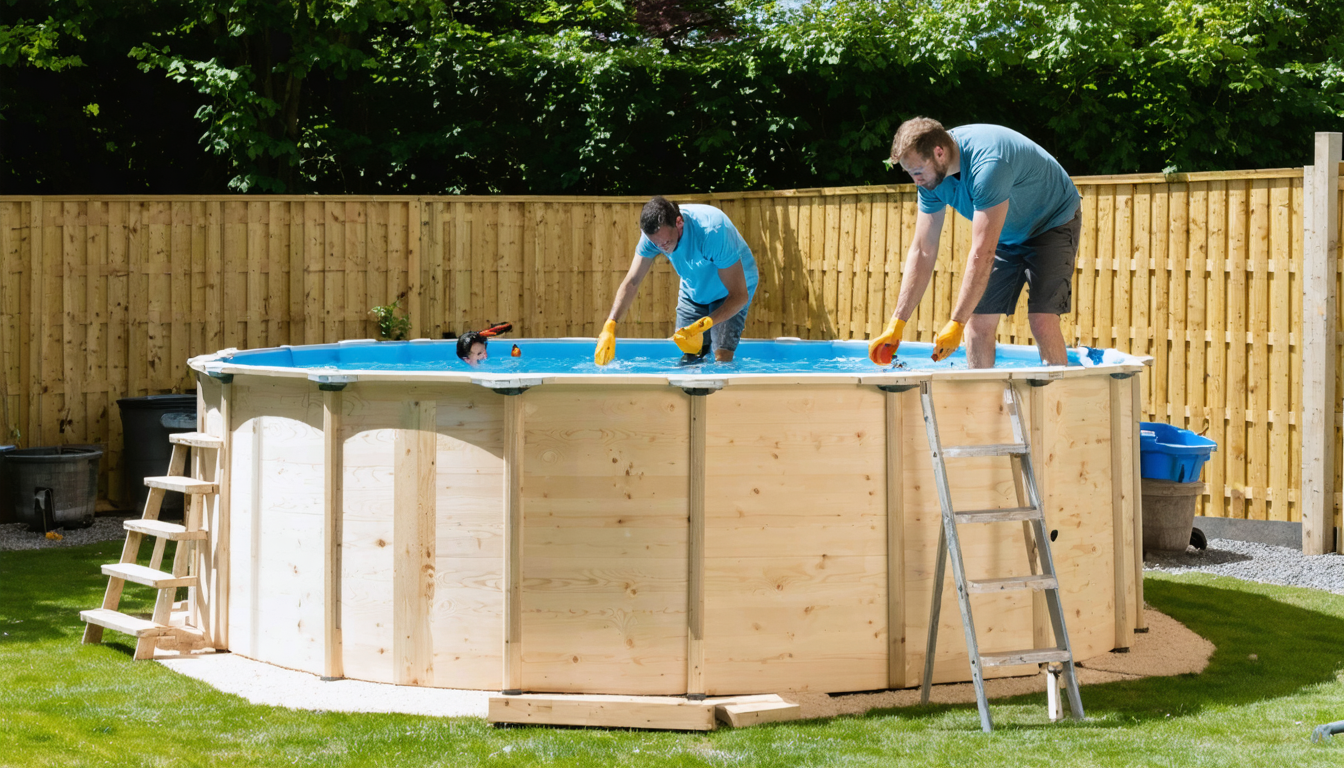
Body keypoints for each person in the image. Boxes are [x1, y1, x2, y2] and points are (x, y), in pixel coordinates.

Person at [869, 118, 1082, 368]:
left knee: (1042, 320)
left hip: (1051, 222)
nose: (916, 181)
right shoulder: (929, 180)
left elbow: (984, 252)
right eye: (910, 173)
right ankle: (981, 394)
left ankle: (1056, 391)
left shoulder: (988, 165)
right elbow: (923, 249)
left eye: (917, 172)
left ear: (939, 152)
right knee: (977, 323)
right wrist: (897, 322)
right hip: (1006, 232)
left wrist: (956, 321)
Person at [595, 196, 758, 366]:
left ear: (679, 222)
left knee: (721, 358)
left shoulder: (712, 231)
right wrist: (610, 324)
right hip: (694, 289)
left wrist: (706, 324)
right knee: (689, 357)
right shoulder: (653, 237)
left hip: (731, 290)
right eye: (656, 244)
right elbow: (632, 281)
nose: (662, 248)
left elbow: (739, 296)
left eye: (666, 242)